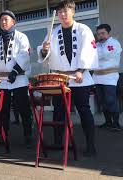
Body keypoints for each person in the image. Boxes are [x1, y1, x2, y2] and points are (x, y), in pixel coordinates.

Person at [37, 0, 98, 157]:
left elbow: (89, 51)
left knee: (83, 110)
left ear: (73, 12)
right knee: (58, 112)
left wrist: (80, 70)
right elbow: (45, 56)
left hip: (79, 78)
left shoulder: (83, 29)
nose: (63, 14)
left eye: (66, 11)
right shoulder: (53, 32)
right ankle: (58, 142)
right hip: (60, 79)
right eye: (60, 12)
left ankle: (91, 144)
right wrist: (44, 50)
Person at [0, 10, 33, 150]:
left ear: (14, 21)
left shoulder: (21, 37)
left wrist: (14, 71)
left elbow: (25, 55)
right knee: (2, 109)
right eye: (1, 20)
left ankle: (28, 133)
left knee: (23, 108)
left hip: (18, 77)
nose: (3, 22)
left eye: (6, 19)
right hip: (1, 79)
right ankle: (3, 133)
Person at [93, 24, 122, 131]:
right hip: (97, 76)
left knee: (111, 100)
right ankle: (108, 122)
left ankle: (116, 123)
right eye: (98, 34)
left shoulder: (114, 43)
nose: (100, 36)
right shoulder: (96, 45)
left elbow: (106, 56)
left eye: (103, 33)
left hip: (110, 76)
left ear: (108, 33)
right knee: (102, 100)